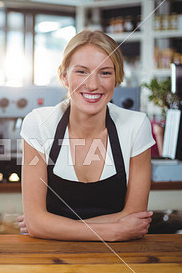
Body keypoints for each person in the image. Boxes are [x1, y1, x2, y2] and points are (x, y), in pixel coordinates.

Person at [18, 30, 155, 242]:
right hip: (49, 259)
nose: (92, 84)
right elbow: (36, 223)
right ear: (64, 76)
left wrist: (50, 226)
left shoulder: (136, 126)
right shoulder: (39, 124)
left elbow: (134, 215)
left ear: (117, 78)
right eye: (82, 72)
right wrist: (115, 230)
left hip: (121, 261)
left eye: (105, 73)